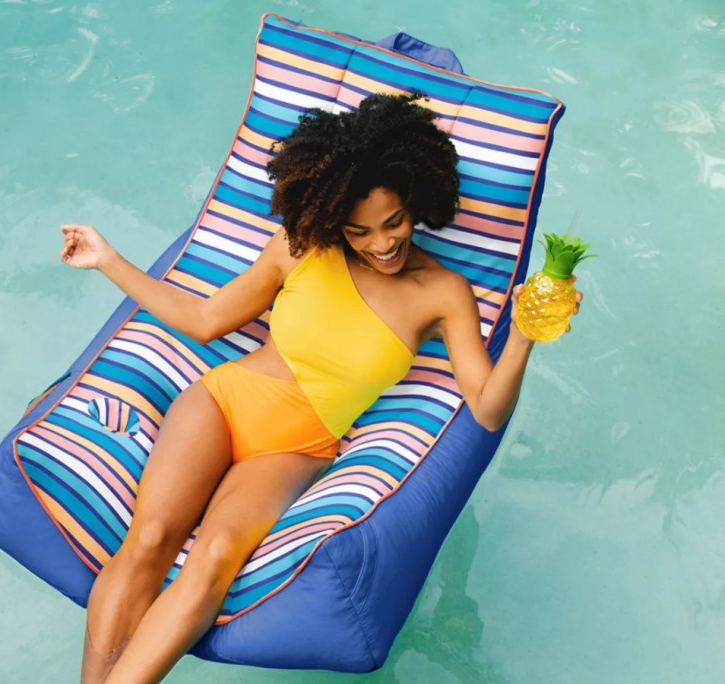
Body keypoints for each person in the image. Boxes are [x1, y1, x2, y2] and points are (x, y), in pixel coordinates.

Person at [59, 92, 580, 684]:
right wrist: (107, 259)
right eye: (360, 231)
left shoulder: (443, 293)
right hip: (223, 403)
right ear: (334, 217)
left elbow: (486, 409)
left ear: (417, 201)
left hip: (296, 449)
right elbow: (205, 321)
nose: (382, 243)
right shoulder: (300, 247)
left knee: (213, 560)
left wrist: (525, 334)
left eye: (395, 222)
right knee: (150, 539)